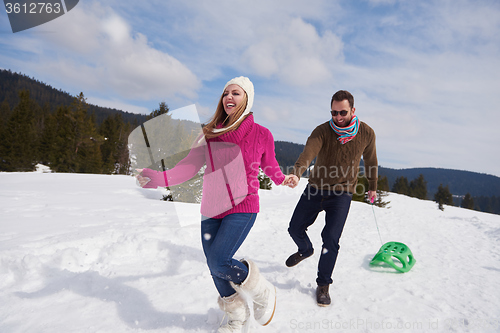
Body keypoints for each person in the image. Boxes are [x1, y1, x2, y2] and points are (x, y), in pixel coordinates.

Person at [136, 76, 298, 332]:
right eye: (225, 93)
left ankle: (262, 291)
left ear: (247, 99)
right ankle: (236, 313)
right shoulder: (209, 133)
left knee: (219, 260)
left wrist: (282, 178)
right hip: (212, 208)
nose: (229, 97)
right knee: (214, 265)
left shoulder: (262, 134)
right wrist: (157, 178)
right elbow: (188, 167)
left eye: (236, 93)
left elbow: (269, 165)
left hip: (244, 206)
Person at [285, 90, 378, 307]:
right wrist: (297, 172)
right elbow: (308, 153)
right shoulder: (322, 131)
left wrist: (372, 187)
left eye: (342, 112)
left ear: (353, 110)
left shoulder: (366, 133)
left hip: (342, 193)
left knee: (331, 240)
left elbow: (371, 160)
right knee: (294, 228)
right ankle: (305, 249)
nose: (338, 117)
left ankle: (323, 285)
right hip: (316, 188)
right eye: (334, 112)